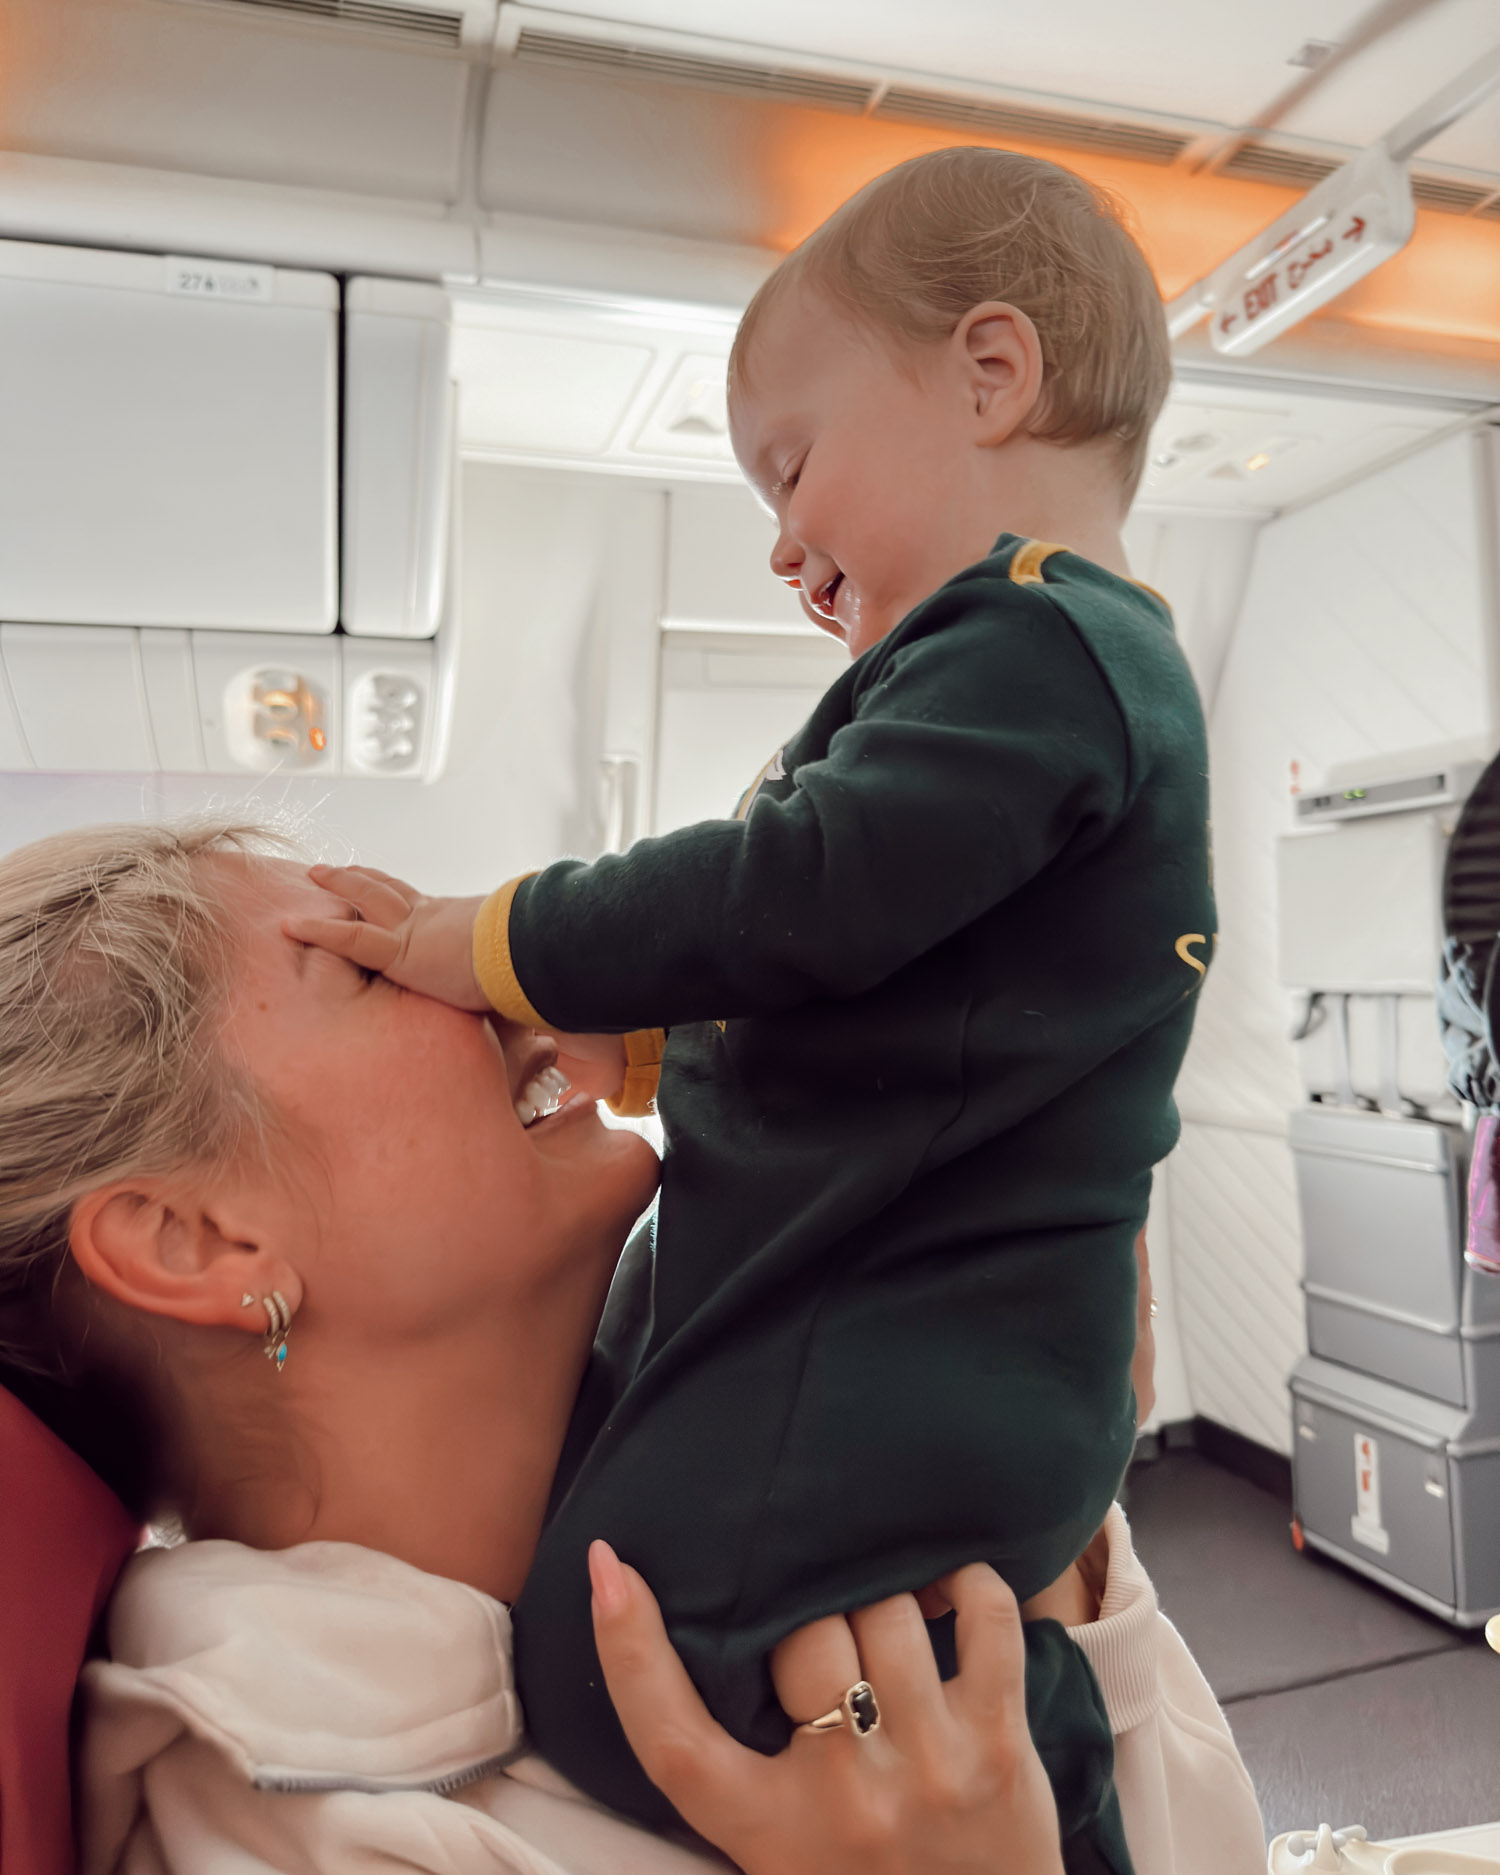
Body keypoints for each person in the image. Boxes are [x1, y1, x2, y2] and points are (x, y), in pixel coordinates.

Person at [291, 144, 1215, 1874]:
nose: (783, 545)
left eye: (792, 469)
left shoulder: (1041, 649)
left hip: (919, 1333)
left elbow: (785, 897)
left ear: (991, 375)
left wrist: (477, 936)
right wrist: (635, 1042)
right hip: (899, 1309)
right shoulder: (1004, 683)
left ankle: (1043, 1777)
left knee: (609, 1661)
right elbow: (870, 992)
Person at [0, 822, 1262, 1875]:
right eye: (377, 969)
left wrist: (1064, 1544)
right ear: (194, 1241)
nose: (496, 986)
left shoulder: (799, 1434)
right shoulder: (292, 1829)